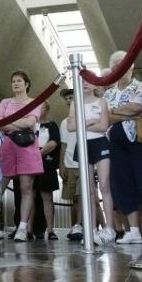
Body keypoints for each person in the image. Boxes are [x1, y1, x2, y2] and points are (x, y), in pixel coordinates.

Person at [104, 51, 142, 245]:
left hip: (140, 140)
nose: (123, 67)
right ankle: (133, 230)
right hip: (116, 143)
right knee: (123, 183)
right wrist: (125, 112)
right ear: (113, 70)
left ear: (132, 65)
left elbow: (138, 107)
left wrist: (116, 112)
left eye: (126, 63)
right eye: (118, 64)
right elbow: (107, 118)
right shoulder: (109, 93)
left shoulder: (141, 86)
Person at [64, 78, 114, 244]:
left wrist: (81, 124)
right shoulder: (75, 104)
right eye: (82, 81)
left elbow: (103, 126)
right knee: (89, 190)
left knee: (105, 185)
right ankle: (91, 229)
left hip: (99, 142)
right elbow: (70, 127)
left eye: (88, 80)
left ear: (95, 83)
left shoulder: (102, 101)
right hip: (83, 144)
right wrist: (91, 121)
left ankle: (110, 229)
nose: (85, 83)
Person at [0, 70, 43, 242]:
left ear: (26, 84)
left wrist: (9, 122)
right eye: (13, 81)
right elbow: (0, 124)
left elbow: (30, 122)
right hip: (7, 145)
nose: (16, 83)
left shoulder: (34, 102)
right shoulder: (5, 102)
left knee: (26, 187)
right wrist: (17, 123)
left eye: (19, 81)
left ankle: (23, 227)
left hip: (27, 145)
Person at [58, 89, 84, 241]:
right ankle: (75, 226)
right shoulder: (64, 122)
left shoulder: (84, 117)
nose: (69, 100)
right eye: (67, 98)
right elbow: (63, 144)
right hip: (69, 164)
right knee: (73, 198)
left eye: (71, 97)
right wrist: (61, 164)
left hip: (83, 163)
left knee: (84, 196)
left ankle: (84, 225)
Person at [36, 102, 61, 240]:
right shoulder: (30, 125)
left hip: (46, 163)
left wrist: (37, 155)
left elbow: (54, 142)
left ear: (47, 110)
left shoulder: (51, 125)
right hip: (29, 164)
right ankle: (27, 229)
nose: (39, 110)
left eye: (41, 107)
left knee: (47, 196)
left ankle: (50, 229)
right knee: (29, 194)